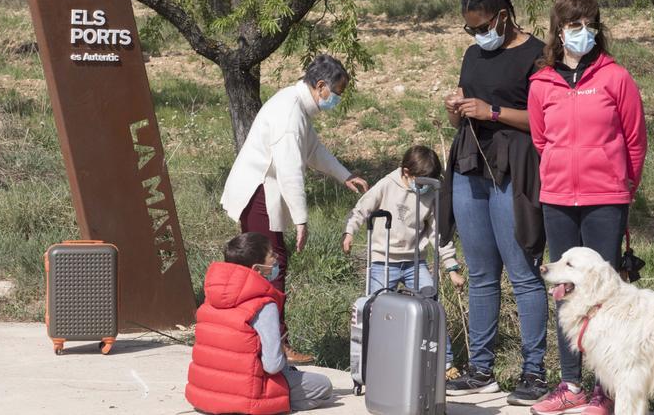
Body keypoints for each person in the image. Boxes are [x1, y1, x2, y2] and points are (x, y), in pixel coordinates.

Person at [527, 0, 647, 415]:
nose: (582, 32)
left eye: (588, 24)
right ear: (558, 31)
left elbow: (634, 140)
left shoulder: (616, 77)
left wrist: (622, 186)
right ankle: (570, 383)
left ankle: (605, 389)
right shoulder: (541, 82)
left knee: (604, 293)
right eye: (573, 25)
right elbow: (542, 139)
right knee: (566, 292)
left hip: (605, 199)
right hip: (558, 198)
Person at [438, 0, 549, 406]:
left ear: (504, 15)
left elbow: (543, 119)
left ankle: (534, 372)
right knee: (481, 273)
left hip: (514, 168)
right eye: (470, 30)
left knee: (522, 271)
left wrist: (493, 112)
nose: (477, 36)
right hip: (471, 166)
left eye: (482, 27)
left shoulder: (536, 55)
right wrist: (457, 111)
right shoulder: (473, 56)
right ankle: (480, 369)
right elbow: (467, 109)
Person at [219, 54, 369, 364]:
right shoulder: (290, 114)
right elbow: (290, 172)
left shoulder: (297, 105)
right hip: (259, 190)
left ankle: (259, 336)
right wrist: (301, 220)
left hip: (265, 190)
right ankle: (274, 343)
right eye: (337, 92)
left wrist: (344, 174)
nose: (337, 99)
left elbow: (312, 149)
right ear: (320, 86)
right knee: (270, 265)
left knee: (266, 265)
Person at [341, 145, 466, 378]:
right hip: (383, 261)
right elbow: (361, 209)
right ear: (406, 171)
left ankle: (444, 362)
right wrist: (349, 232)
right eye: (421, 182)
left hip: (414, 262)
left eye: (428, 183)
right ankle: (377, 360)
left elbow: (437, 234)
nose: (424, 188)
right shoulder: (387, 185)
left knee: (431, 307)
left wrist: (452, 268)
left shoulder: (430, 193)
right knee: (376, 310)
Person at [185, 232, 333, 414]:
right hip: (247, 393)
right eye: (272, 255)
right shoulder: (263, 304)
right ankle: (270, 407)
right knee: (323, 386)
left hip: (204, 395)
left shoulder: (211, 297)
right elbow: (272, 365)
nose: (277, 258)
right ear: (257, 269)